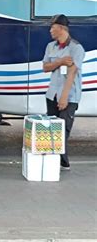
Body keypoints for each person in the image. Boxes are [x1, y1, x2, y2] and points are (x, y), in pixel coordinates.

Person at [42, 14, 85, 171]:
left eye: (52, 27)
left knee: (63, 130)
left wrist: (64, 97)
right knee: (51, 128)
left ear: (61, 28)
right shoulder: (50, 47)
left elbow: (72, 73)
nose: (50, 30)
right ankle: (58, 161)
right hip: (52, 93)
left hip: (69, 95)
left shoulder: (76, 48)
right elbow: (45, 67)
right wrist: (59, 61)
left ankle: (61, 162)